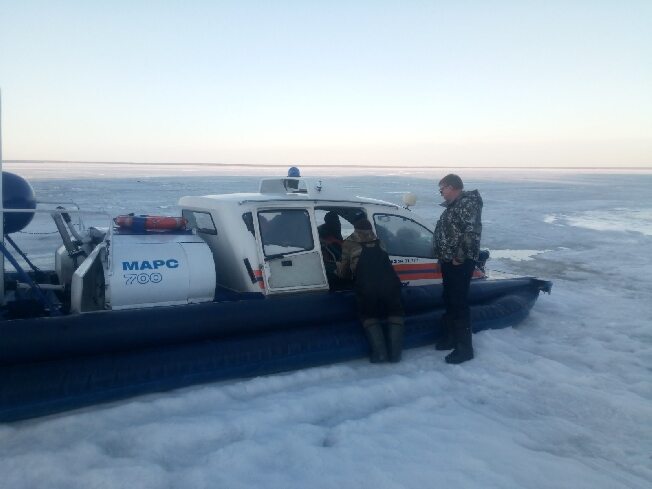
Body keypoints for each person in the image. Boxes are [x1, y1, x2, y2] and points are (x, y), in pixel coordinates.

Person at [337, 218, 404, 363]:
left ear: (355, 230)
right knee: (395, 313)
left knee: (369, 316)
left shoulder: (349, 243)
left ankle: (380, 354)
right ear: (370, 230)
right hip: (390, 284)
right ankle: (395, 355)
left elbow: (344, 272)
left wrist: (338, 272)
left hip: (367, 287)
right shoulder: (380, 242)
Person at [433, 174, 483, 364]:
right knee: (449, 299)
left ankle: (464, 349)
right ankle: (451, 338)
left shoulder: (467, 204)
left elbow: (470, 232)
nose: (441, 193)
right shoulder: (453, 206)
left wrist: (458, 258)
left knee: (458, 303)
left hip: (459, 262)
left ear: (452, 187)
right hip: (449, 261)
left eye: (442, 189)